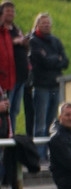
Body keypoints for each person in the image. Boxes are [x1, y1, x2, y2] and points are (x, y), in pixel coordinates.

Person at [28, 12, 68, 160]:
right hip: (41, 86)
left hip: (55, 85)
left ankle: (50, 155)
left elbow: (65, 61)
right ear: (37, 24)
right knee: (40, 125)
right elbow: (41, 61)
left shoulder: (56, 41)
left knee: (53, 124)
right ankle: (39, 156)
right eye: (43, 23)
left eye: (48, 23)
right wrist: (55, 59)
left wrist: (52, 59)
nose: (46, 25)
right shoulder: (34, 41)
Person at [0, 2, 28, 134]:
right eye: (7, 11)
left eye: (12, 11)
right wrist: (16, 41)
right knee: (5, 112)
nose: (10, 13)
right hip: (5, 79)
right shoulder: (3, 32)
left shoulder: (16, 29)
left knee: (14, 111)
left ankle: (10, 138)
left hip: (18, 77)